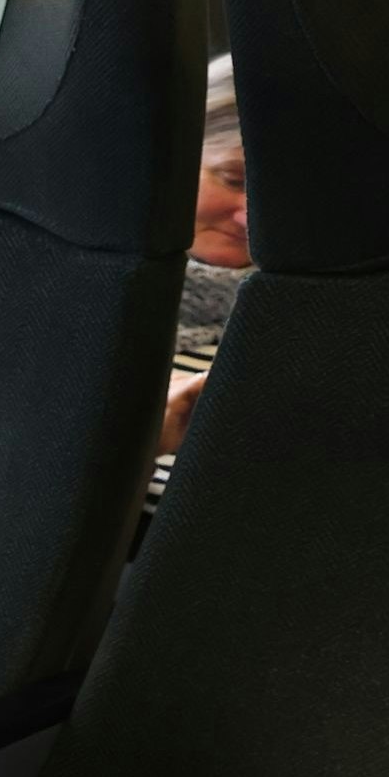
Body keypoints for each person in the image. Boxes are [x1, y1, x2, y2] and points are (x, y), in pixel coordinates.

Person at [156, 53, 249, 468]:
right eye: (233, 179)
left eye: (284, 195)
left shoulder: (312, 325)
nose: (251, 214)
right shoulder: (65, 294)